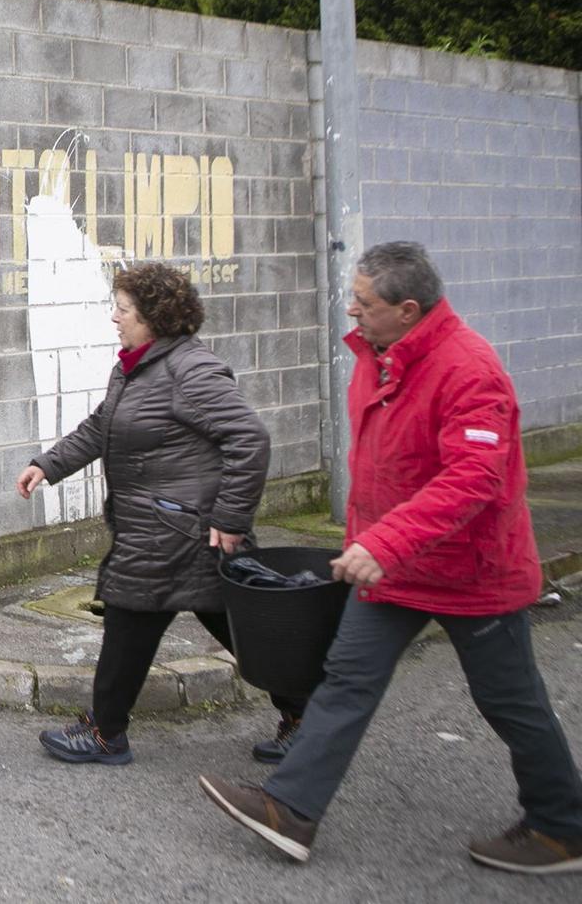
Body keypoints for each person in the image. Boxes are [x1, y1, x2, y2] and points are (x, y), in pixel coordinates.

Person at [199, 241, 582, 875]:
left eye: (363, 302)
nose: (350, 310)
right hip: (394, 568)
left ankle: (563, 827)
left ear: (408, 309)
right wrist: (369, 542)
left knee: (510, 701)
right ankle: (290, 811)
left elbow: (473, 479)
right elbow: (386, 467)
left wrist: (382, 542)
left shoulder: (470, 369)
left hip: (470, 572)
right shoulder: (376, 356)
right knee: (346, 680)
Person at [15, 262, 300, 765]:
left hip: (178, 533)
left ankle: (106, 733)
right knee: (237, 628)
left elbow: (249, 439)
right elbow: (101, 426)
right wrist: (47, 465)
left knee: (130, 626)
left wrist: (231, 520)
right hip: (166, 529)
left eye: (123, 310)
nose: (114, 318)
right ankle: (305, 716)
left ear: (154, 317)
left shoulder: (190, 370)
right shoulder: (136, 365)